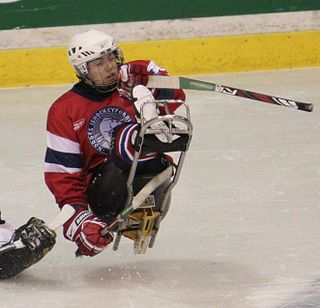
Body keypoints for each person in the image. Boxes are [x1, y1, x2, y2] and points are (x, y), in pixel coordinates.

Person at [43, 29, 186, 257]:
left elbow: (177, 97)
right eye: (99, 63)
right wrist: (78, 221)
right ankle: (146, 133)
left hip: (154, 185)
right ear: (83, 70)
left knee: (157, 115)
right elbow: (62, 176)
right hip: (107, 198)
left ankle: (149, 129)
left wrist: (150, 74)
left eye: (111, 57)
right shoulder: (64, 110)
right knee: (126, 137)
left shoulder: (129, 88)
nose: (110, 67)